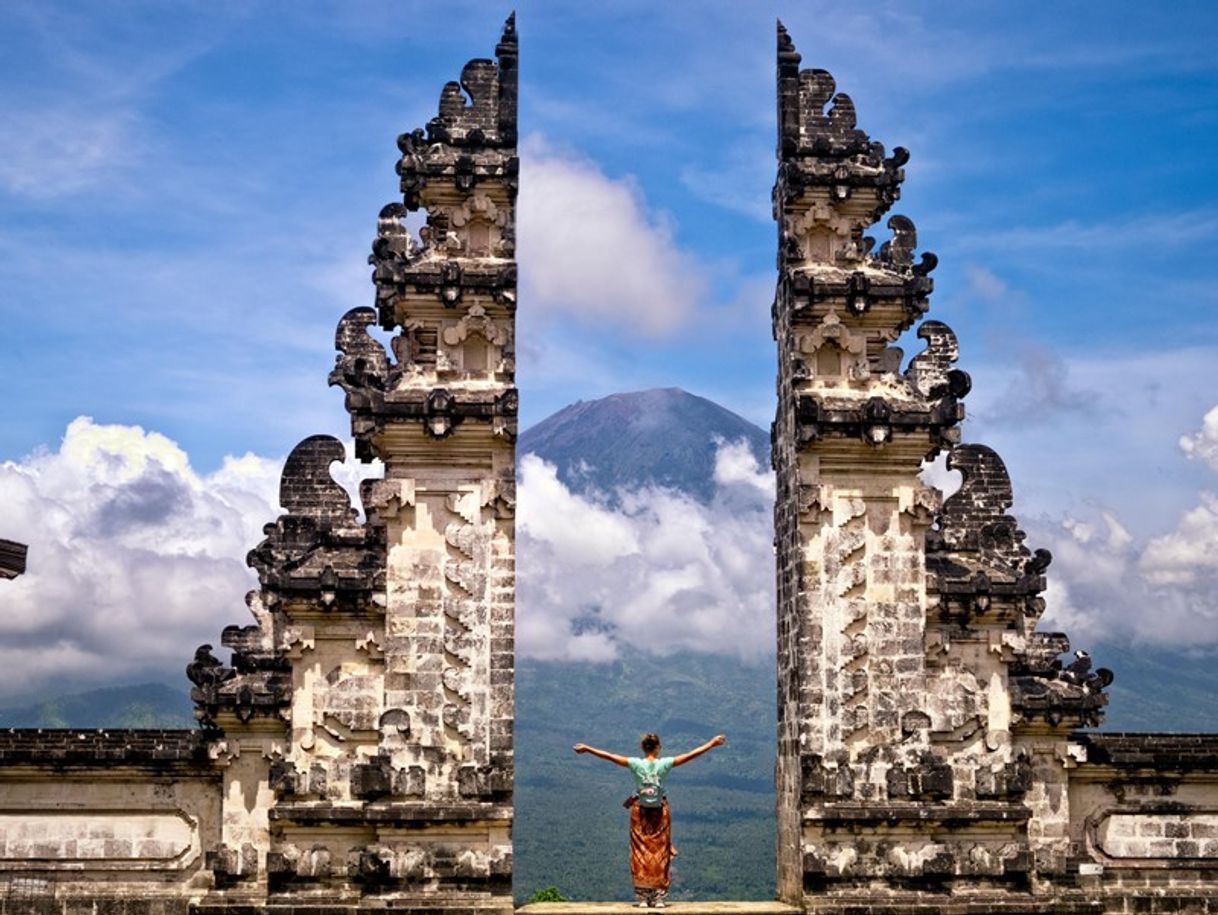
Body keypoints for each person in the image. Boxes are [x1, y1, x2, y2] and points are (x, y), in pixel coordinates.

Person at [572, 732, 726, 908]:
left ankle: (643, 897)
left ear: (642, 748)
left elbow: (610, 756)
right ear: (658, 748)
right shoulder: (664, 764)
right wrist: (711, 743)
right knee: (661, 852)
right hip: (660, 812)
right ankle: (659, 897)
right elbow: (691, 755)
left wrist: (588, 749)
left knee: (639, 852)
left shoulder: (636, 764)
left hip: (640, 813)